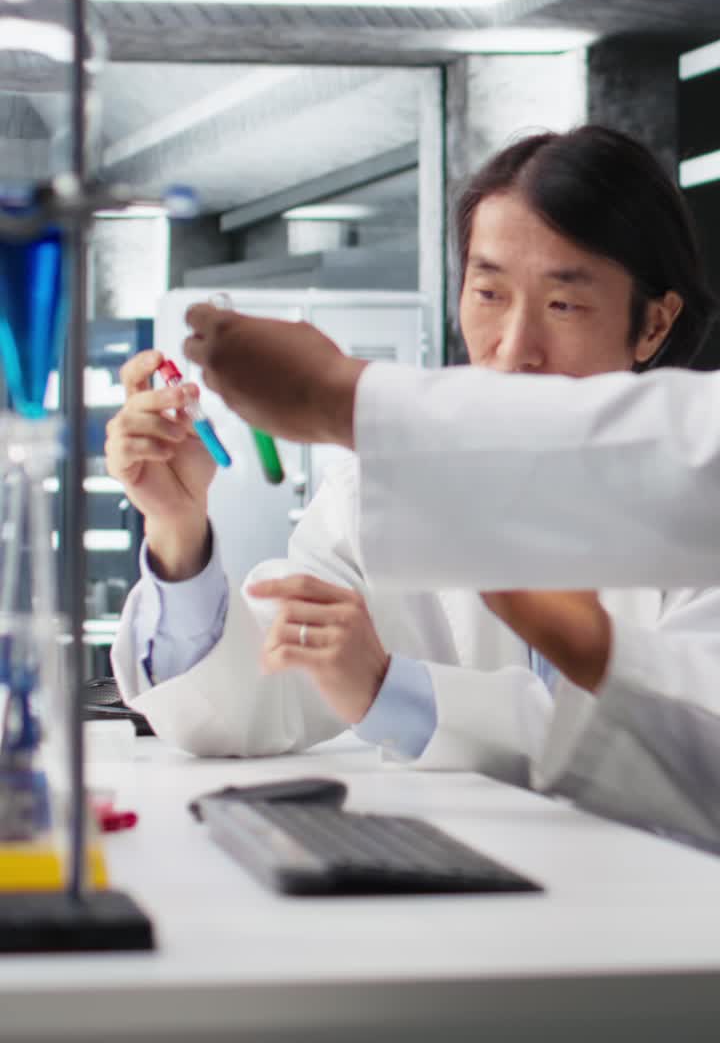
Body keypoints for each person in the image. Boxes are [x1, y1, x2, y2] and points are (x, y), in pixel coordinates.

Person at [108, 126, 720, 847]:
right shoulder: (382, 489)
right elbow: (249, 706)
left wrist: (396, 692)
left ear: (653, 323)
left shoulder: (696, 492)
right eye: (488, 293)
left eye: (564, 305)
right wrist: (178, 533)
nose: (514, 348)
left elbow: (688, 733)